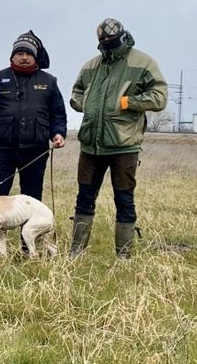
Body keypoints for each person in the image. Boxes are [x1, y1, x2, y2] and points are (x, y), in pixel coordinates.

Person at [69, 18, 168, 259]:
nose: (106, 45)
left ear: (122, 37)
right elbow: (76, 92)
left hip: (123, 146)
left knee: (124, 200)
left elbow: (159, 96)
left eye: (111, 41)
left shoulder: (143, 62)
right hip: (91, 145)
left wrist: (130, 102)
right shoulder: (91, 65)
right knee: (84, 198)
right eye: (102, 42)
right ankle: (76, 252)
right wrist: (87, 105)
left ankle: (123, 256)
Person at [0, 31, 67, 252]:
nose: (23, 57)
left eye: (28, 53)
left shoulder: (49, 82)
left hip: (36, 151)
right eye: (19, 53)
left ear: (35, 57)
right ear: (12, 56)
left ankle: (27, 246)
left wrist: (58, 134)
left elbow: (58, 115)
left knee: (31, 200)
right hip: (2, 151)